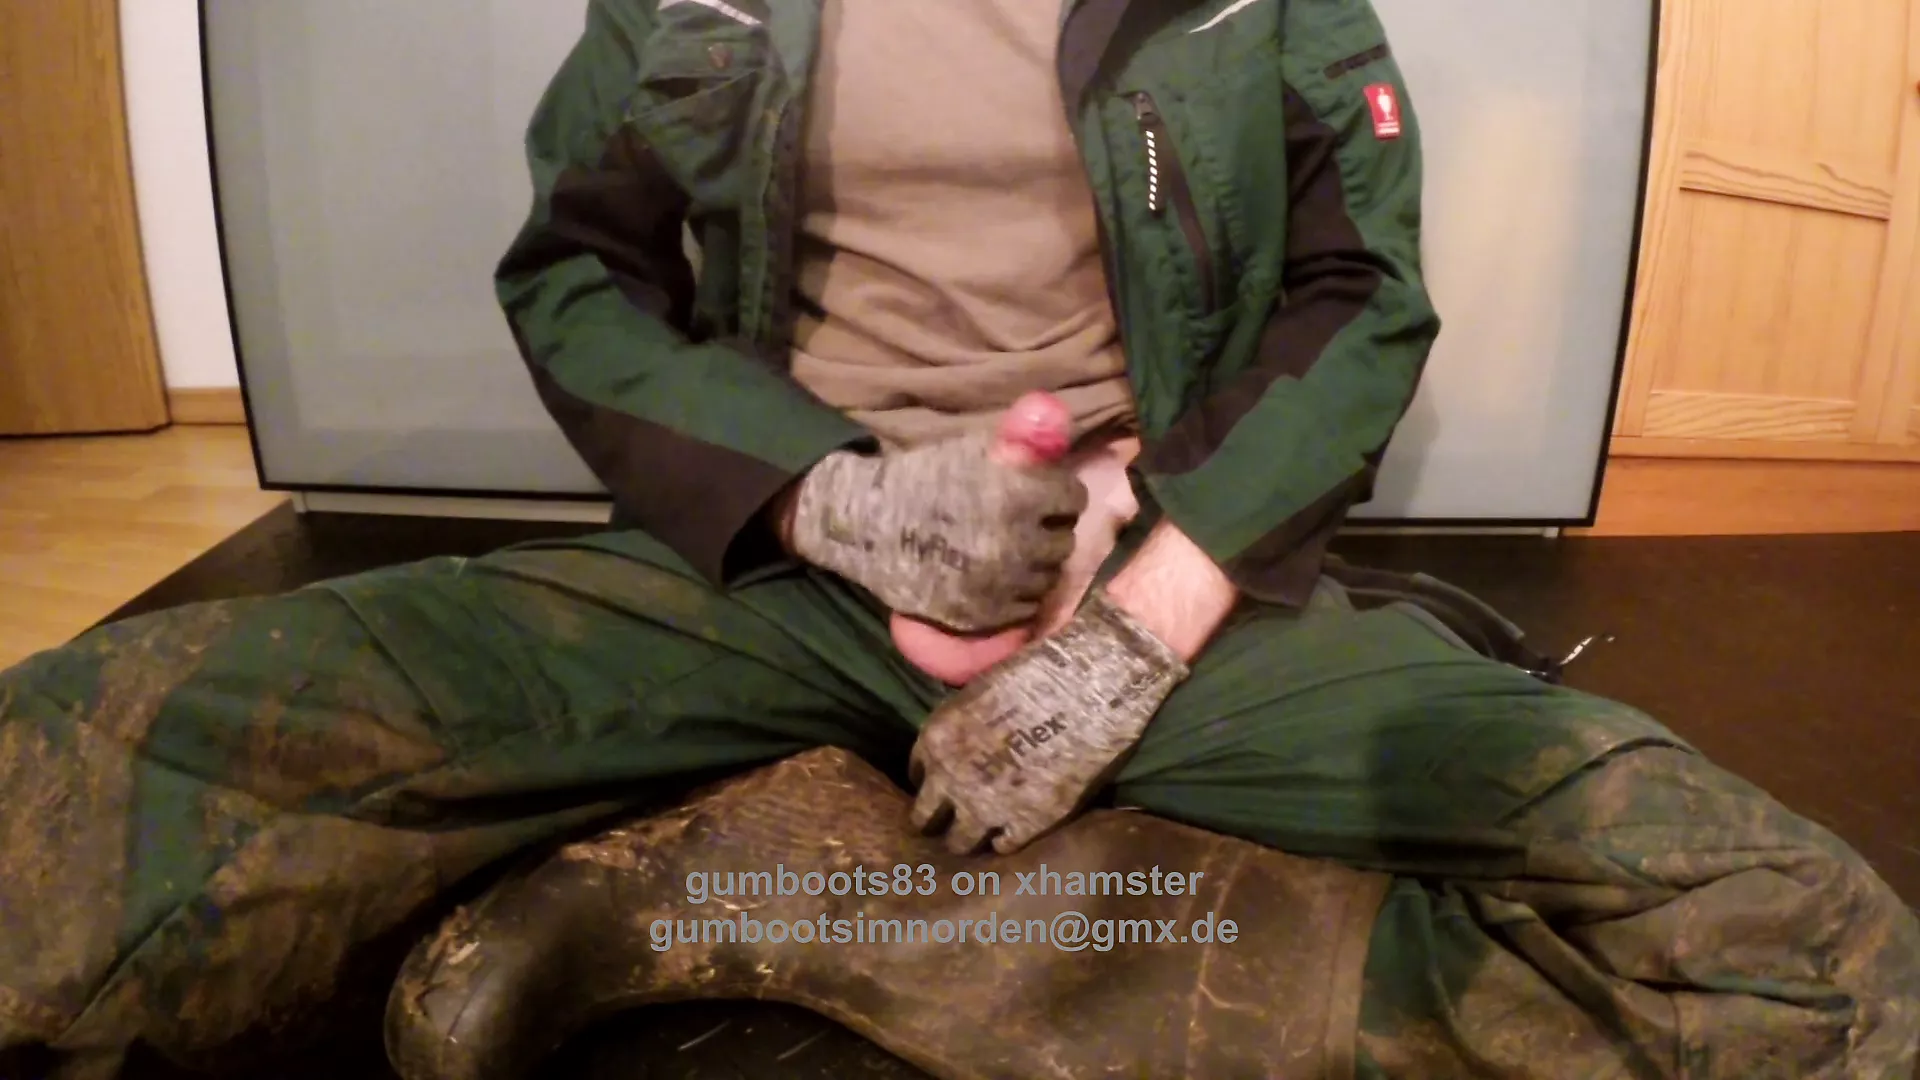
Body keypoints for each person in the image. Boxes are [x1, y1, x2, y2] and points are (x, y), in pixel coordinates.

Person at [1, 0, 1915, 1076]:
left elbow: (1365, 297)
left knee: (1785, 940)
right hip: (786, 566)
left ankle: (879, 914)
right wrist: (829, 497)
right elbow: (575, 277)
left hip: (1161, 587)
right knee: (116, 744)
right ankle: (924, 872)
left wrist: (1148, 607)